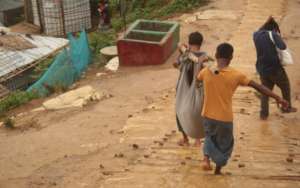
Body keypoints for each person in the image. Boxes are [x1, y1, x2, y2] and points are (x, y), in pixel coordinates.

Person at [197, 43, 289, 175]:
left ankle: (206, 159)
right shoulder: (236, 75)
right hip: (225, 118)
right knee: (225, 145)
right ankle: (217, 171)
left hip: (207, 115)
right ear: (231, 57)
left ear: (216, 55)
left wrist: (201, 63)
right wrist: (277, 97)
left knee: (209, 137)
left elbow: (196, 79)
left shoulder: (206, 71)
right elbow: (259, 87)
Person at [253, 16, 297, 120]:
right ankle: (286, 107)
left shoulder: (255, 35)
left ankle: (263, 114)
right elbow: (282, 46)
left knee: (265, 91)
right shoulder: (273, 34)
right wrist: (277, 36)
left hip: (261, 68)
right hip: (274, 67)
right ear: (273, 28)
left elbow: (261, 34)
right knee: (285, 85)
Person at [174, 32, 207, 147]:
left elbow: (176, 64)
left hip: (183, 89)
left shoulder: (186, 55)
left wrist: (181, 51)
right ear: (200, 43)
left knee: (180, 111)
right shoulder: (204, 56)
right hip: (199, 90)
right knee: (198, 111)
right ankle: (197, 139)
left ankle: (185, 138)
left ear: (189, 42)